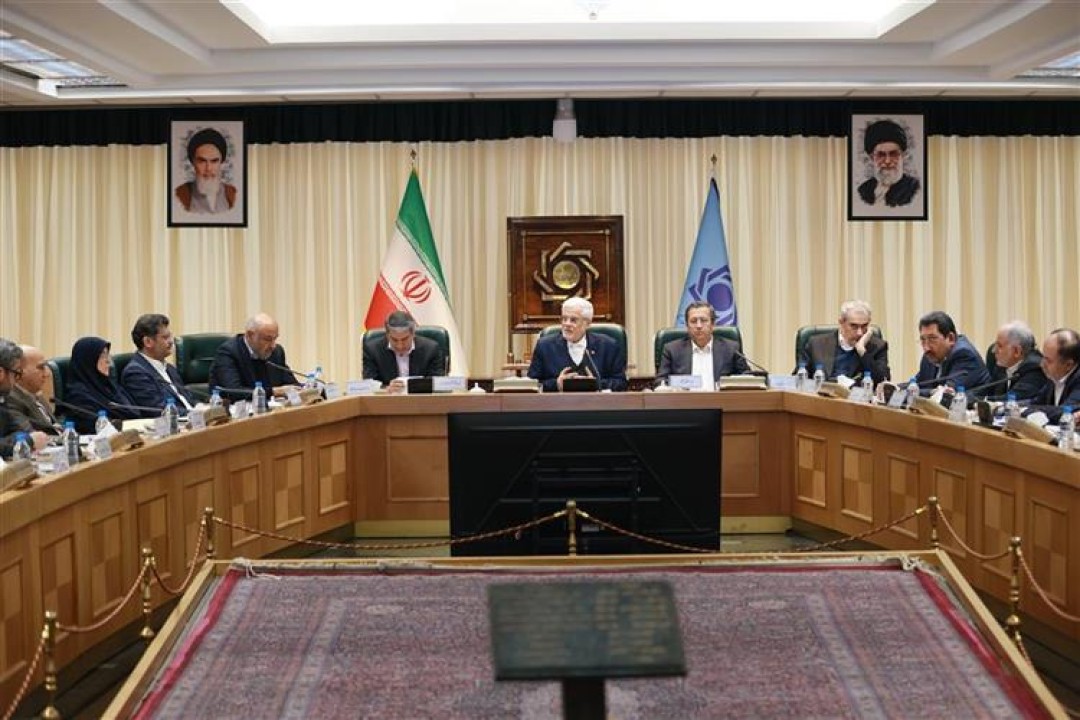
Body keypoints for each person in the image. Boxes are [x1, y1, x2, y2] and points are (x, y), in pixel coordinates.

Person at [527, 297, 627, 392]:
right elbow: (532, 384)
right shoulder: (545, 346)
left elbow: (621, 384)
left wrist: (595, 384)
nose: (567, 324)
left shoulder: (608, 346)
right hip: (558, 403)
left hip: (596, 403)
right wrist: (557, 384)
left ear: (587, 323)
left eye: (573, 320)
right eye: (564, 319)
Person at [797, 299, 890, 386]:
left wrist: (862, 351)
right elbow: (798, 378)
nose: (860, 332)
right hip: (821, 395)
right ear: (841, 322)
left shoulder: (877, 346)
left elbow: (882, 382)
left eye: (864, 326)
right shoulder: (816, 344)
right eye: (854, 326)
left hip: (857, 397)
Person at [656, 301, 747, 389]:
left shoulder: (731, 349)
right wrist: (678, 385)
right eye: (693, 321)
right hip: (685, 399)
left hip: (720, 399)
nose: (699, 326)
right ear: (687, 326)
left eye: (703, 320)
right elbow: (660, 381)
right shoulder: (672, 350)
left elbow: (746, 378)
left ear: (712, 324)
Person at [209, 313, 297, 400]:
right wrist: (273, 392)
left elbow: (291, 384)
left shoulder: (276, 352)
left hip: (272, 407)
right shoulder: (228, 352)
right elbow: (234, 391)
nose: (273, 345)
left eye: (275, 338)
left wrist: (302, 389)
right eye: (268, 339)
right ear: (250, 335)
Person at [64, 337, 144, 433]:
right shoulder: (78, 397)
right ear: (88, 360)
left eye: (108, 355)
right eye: (102, 356)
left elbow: (134, 412)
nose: (108, 361)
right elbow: (99, 426)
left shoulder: (110, 386)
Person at [121, 314, 196, 413]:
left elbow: (188, 400)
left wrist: (204, 408)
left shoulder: (169, 368)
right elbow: (159, 410)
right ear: (148, 342)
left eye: (170, 336)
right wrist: (195, 414)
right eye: (165, 337)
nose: (171, 341)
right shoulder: (135, 373)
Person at [362, 310, 447, 394]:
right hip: (388, 400)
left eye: (405, 339)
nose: (400, 345)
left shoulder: (431, 349)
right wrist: (386, 389)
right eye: (394, 340)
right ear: (387, 335)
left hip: (421, 399)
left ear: (413, 334)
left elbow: (437, 383)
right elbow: (369, 384)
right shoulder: (372, 350)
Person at [913, 311, 991, 394]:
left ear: (951, 338)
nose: (926, 347)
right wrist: (904, 389)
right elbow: (915, 385)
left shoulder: (964, 355)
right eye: (923, 340)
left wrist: (919, 392)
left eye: (932, 339)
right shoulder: (930, 356)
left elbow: (946, 395)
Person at [0, 339, 49, 458]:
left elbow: (17, 430)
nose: (16, 380)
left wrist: (23, 439)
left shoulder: (2, 397)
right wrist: (29, 440)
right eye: (16, 373)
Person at [856, 119, 920, 208]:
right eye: (881, 155)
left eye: (893, 154)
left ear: (903, 156)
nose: (887, 161)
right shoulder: (863, 191)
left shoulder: (915, 189)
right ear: (871, 158)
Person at [978, 321, 1048, 402]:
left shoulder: (1035, 369)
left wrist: (981, 400)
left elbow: (1013, 399)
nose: (994, 351)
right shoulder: (1002, 365)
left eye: (999, 346)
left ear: (1017, 351)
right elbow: (985, 391)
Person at [174, 128, 237, 214]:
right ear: (193, 162)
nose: (208, 168)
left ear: (221, 162)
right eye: (202, 161)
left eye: (214, 161)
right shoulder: (180, 194)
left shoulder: (233, 194)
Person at [1024, 328, 1080, 424]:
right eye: (1043, 357)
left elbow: (1064, 413)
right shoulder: (1055, 376)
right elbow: (1035, 403)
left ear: (1068, 365)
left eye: (1048, 360)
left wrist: (1025, 410)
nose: (1042, 364)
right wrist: (1011, 406)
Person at [6, 345, 61, 435]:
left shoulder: (34, 392)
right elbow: (29, 436)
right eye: (41, 367)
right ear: (19, 370)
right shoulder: (11, 399)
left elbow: (51, 427)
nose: (46, 374)